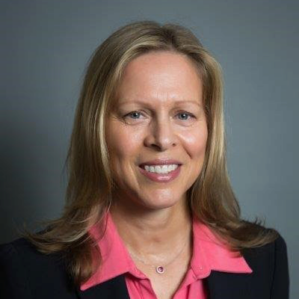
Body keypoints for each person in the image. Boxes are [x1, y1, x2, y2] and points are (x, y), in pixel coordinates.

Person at [0, 21, 289, 299]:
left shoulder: (266, 260)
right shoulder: (25, 273)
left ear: (210, 129)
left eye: (183, 115)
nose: (162, 139)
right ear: (97, 129)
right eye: (135, 114)